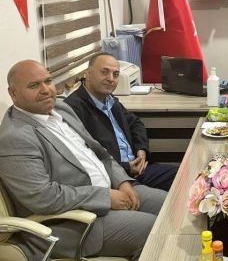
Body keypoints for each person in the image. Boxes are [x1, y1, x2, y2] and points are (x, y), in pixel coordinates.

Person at [0, 60, 167, 261]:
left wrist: (122, 181)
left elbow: (100, 152)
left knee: (170, 207)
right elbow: (43, 198)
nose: (45, 90)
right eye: (34, 85)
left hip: (111, 190)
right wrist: (105, 198)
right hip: (73, 223)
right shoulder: (15, 137)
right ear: (13, 94)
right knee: (155, 229)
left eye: (48, 81)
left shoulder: (61, 109)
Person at [65, 52, 177, 192]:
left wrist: (141, 150)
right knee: (170, 199)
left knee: (189, 178)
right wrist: (127, 167)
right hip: (116, 180)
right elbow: (86, 157)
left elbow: (135, 124)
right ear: (88, 74)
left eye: (116, 74)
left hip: (139, 169)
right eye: (104, 72)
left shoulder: (110, 100)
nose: (111, 79)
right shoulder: (73, 109)